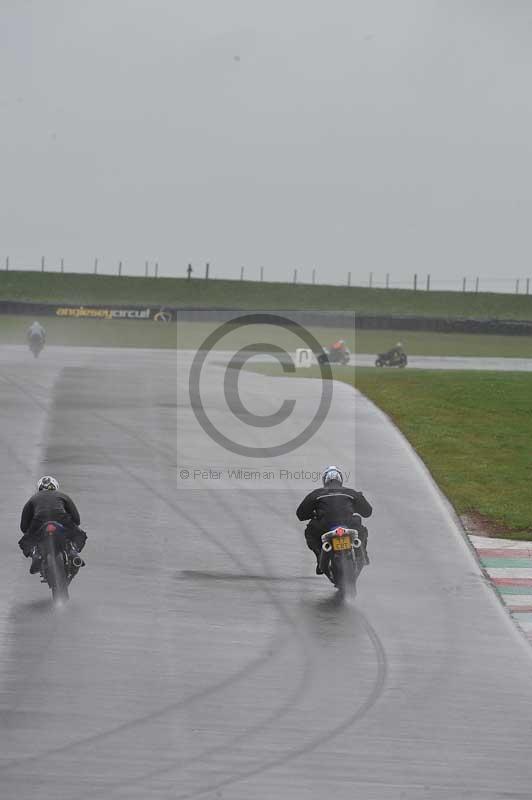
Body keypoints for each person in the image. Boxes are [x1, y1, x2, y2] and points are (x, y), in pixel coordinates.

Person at [296, 466, 372, 574]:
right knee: (360, 527)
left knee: (310, 531)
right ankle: (363, 553)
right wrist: (356, 509)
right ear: (340, 480)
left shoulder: (316, 494)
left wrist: (312, 515)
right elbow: (367, 511)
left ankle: (319, 557)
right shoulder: (351, 493)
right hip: (348, 524)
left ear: (325, 480)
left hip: (325, 526)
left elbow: (300, 514)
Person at [18, 476, 87, 574]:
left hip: (39, 522)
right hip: (62, 519)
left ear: (39, 489)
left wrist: (31, 534)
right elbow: (77, 519)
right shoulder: (63, 496)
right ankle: (73, 551)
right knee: (79, 535)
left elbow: (24, 527)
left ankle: (35, 556)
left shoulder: (32, 499)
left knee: (26, 541)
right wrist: (72, 527)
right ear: (55, 486)